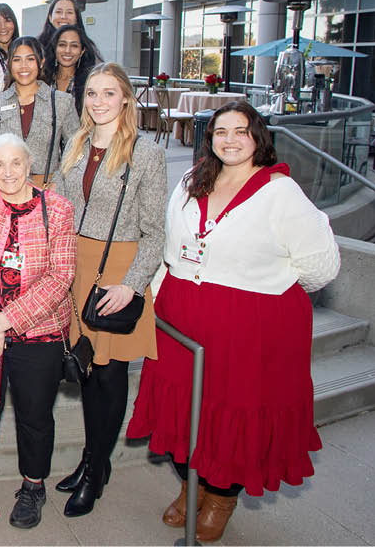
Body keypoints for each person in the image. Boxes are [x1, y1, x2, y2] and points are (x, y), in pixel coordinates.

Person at [127, 102, 340, 542]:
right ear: (209, 138)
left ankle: (221, 496)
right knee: (184, 410)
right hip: (182, 317)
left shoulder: (281, 191)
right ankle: (192, 485)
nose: (229, 139)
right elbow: (171, 245)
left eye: (240, 131)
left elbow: (321, 267)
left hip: (251, 326)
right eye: (220, 131)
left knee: (235, 413)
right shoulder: (191, 181)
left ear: (258, 137)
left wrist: (262, 283)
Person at [51, 62, 166, 518]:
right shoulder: (76, 144)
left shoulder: (146, 154)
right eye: (92, 93)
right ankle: (89, 460)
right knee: (86, 370)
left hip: (116, 271)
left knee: (110, 375)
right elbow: (57, 205)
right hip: (77, 267)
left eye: (109, 93)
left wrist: (132, 286)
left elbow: (156, 233)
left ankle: (97, 470)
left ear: (125, 99)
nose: (98, 101)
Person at [0, 133, 76, 529]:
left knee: (34, 415)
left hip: (38, 332)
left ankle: (33, 485)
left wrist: (9, 320)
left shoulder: (57, 208)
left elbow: (61, 277)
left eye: (16, 163)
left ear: (29, 165)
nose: (7, 172)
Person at [0, 37, 79, 188]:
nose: (23, 66)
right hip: (4, 185)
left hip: (46, 188)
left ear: (41, 62)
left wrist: (57, 181)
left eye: (30, 59)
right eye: (17, 60)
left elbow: (76, 150)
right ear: (9, 64)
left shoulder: (61, 102)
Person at [43, 23, 103, 117]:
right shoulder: (43, 79)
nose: (67, 50)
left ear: (82, 51)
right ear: (55, 48)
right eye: (62, 45)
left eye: (74, 46)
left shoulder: (90, 83)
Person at [35, 0, 102, 57]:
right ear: (50, 17)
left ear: (76, 18)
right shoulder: (37, 46)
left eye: (69, 12)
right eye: (58, 12)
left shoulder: (87, 47)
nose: (63, 16)